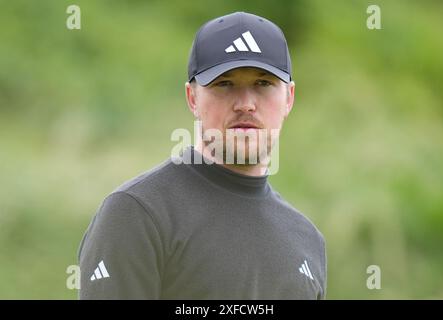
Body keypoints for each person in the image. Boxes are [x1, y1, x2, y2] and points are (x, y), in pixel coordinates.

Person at [78, 11, 326, 299]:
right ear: (192, 98)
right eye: (225, 83)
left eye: (263, 83)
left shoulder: (307, 240)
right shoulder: (139, 213)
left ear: (289, 98)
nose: (245, 104)